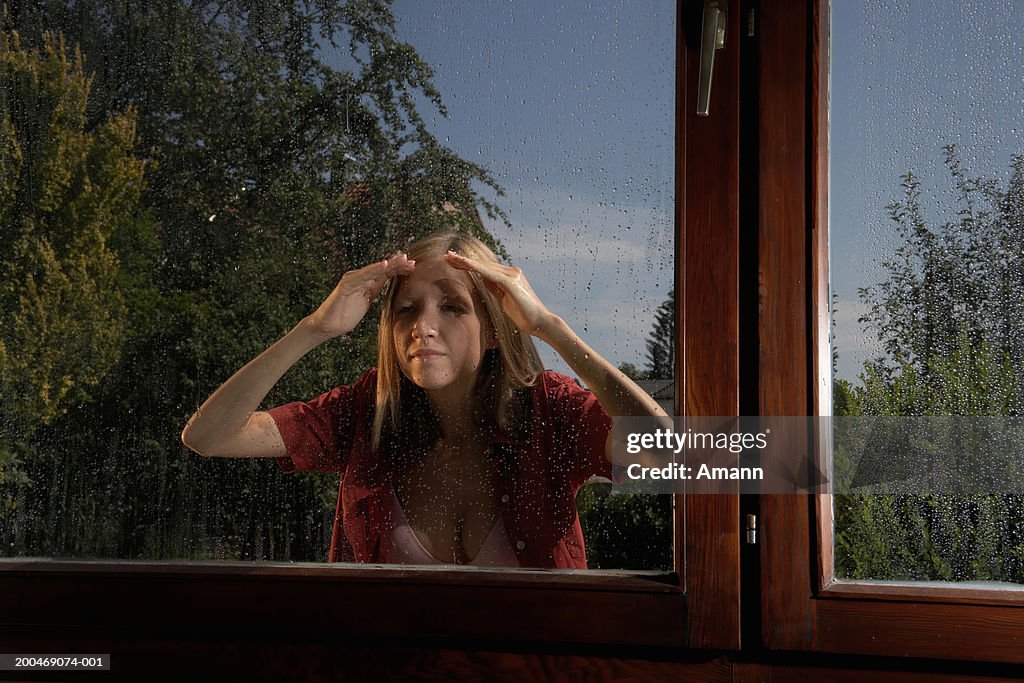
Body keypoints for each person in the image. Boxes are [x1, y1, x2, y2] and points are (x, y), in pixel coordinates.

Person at [181, 231, 668, 568]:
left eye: (453, 306)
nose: (422, 328)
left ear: (495, 331)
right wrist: (313, 329)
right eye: (406, 309)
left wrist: (549, 328)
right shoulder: (366, 412)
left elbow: (675, 457)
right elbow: (208, 435)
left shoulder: (550, 411)